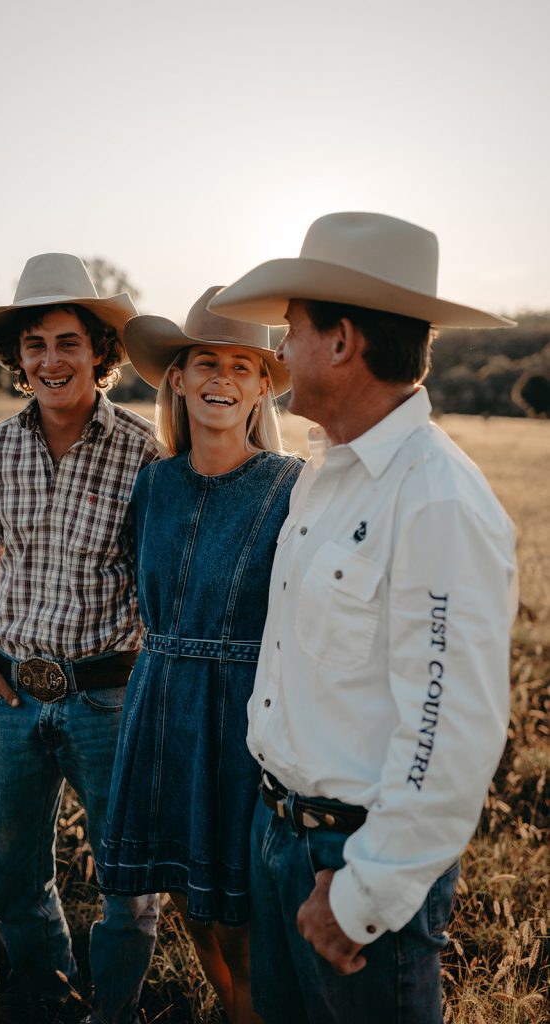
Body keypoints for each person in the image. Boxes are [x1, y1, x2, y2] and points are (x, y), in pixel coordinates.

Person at [209, 212, 519, 1024]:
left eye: (291, 329)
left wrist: (363, 894)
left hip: (352, 860)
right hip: (278, 834)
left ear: (341, 342)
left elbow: (450, 730)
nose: (279, 350)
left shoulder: (435, 499)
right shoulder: (324, 474)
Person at [0, 253, 160, 1024]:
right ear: (18, 358)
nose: (50, 359)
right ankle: (48, 995)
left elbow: (160, 581)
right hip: (8, 697)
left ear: (99, 352)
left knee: (126, 875)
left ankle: (116, 1009)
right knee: (12, 870)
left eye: (67, 342)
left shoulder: (143, 452)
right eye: (34, 344)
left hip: (107, 698)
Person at [96, 286, 303, 1024]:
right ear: (177, 379)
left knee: (238, 913)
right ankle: (231, 1007)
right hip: (160, 703)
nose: (222, 378)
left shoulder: (290, 485)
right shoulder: (154, 483)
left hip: (242, 712)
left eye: (242, 366)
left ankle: (251, 1008)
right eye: (206, 363)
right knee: (187, 900)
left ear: (261, 387)